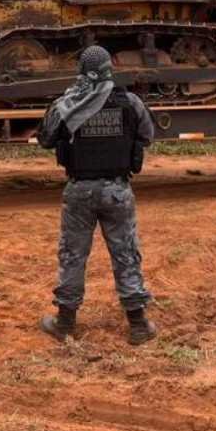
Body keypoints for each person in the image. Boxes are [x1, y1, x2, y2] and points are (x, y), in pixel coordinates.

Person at [36, 45, 157, 345]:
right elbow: (147, 136)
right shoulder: (130, 103)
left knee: (73, 256)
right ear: (109, 70)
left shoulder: (67, 103)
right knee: (126, 254)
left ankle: (64, 323)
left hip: (79, 192)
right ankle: (138, 324)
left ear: (81, 72)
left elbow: (45, 139)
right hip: (117, 190)